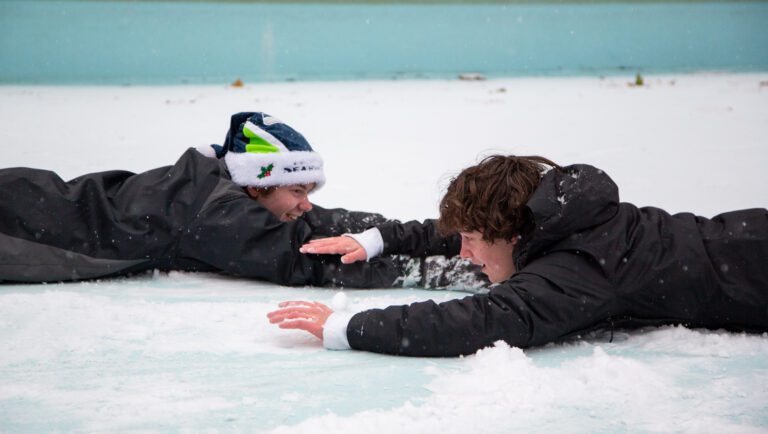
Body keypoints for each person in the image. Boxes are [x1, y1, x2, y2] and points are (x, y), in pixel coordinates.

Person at [268, 155, 768, 357]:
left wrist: (346, 328)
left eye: (469, 238)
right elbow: (467, 235)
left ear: (508, 233)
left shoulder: (576, 272)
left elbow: (479, 321)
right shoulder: (567, 215)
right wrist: (378, 239)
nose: (462, 252)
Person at [0, 111, 396, 287]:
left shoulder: (214, 182)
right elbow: (301, 258)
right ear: (257, 185)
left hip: (29, 197)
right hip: (17, 224)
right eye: (297, 191)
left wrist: (409, 233)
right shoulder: (217, 214)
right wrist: (423, 268)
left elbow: (313, 221)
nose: (306, 204)